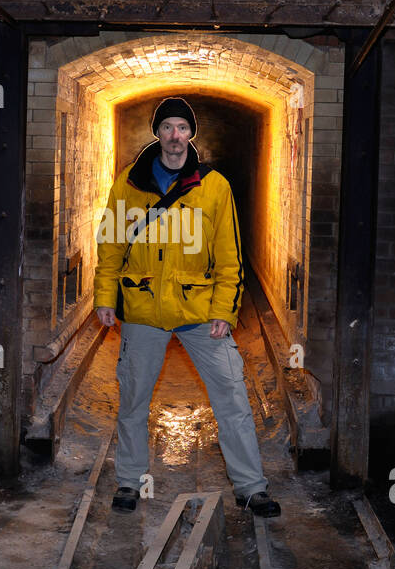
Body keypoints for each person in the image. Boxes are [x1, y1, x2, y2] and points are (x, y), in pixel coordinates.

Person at [93, 96, 280, 517]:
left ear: (191, 134)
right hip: (144, 309)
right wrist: (106, 297)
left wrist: (224, 311)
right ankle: (129, 481)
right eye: (167, 128)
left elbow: (230, 257)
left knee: (232, 395)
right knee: (134, 398)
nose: (174, 137)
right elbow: (110, 245)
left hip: (199, 312)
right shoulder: (129, 183)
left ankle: (251, 487)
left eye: (182, 128)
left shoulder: (214, 186)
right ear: (156, 133)